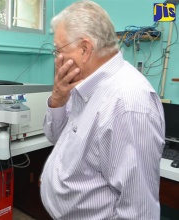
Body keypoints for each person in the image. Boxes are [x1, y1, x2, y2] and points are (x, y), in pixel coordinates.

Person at [40, 1, 165, 219]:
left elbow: (139, 211)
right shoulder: (84, 85)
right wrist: (59, 98)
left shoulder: (127, 105)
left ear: (85, 49)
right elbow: (56, 138)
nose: (56, 58)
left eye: (59, 50)